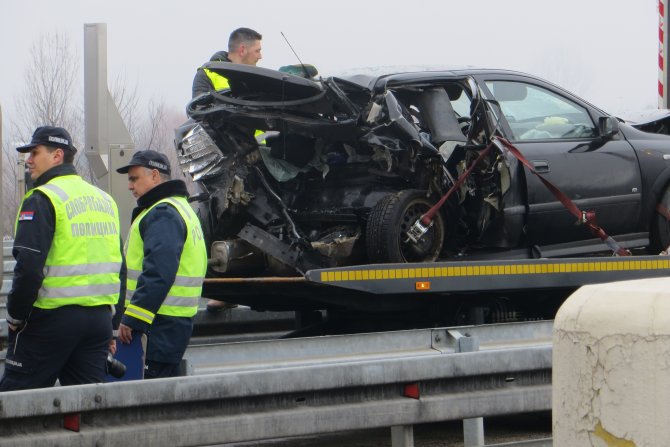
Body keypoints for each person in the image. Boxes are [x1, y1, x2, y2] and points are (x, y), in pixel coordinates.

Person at [0, 126, 124, 391]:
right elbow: (119, 268)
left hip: (51, 322)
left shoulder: (43, 197)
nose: (29, 160)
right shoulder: (105, 200)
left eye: (35, 152)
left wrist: (15, 317)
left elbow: (29, 269)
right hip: (98, 323)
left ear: (57, 156)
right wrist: (112, 326)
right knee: (87, 408)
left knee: (15, 405)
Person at [116, 150, 207, 379]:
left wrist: (133, 318)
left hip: (156, 325)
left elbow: (158, 272)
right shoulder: (181, 208)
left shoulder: (163, 212)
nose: (130, 186)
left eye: (134, 178)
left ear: (155, 176)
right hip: (172, 323)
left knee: (146, 397)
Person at [191, 27, 263, 98]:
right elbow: (199, 107)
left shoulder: (258, 79)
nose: (260, 56)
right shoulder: (206, 75)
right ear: (242, 50)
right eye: (257, 51)